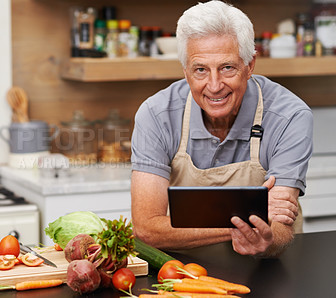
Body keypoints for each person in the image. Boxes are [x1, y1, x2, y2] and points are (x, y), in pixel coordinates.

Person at [130, 0, 313, 257]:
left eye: (227, 68)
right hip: (187, 274)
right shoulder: (156, 114)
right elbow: (147, 229)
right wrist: (248, 218)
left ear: (249, 65)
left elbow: (280, 228)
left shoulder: (289, 116)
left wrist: (266, 234)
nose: (214, 86)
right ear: (185, 72)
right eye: (200, 70)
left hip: (268, 267)